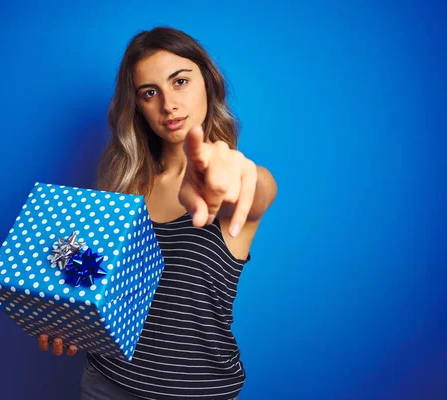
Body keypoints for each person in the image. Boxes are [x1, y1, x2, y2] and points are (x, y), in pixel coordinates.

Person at [38, 26, 277, 400]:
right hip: (104, 384)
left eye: (180, 81)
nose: (168, 104)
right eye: (150, 93)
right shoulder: (123, 187)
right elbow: (98, 286)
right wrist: (67, 316)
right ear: (138, 107)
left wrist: (238, 173)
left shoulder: (233, 183)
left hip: (195, 393)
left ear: (209, 84)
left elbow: (257, 189)